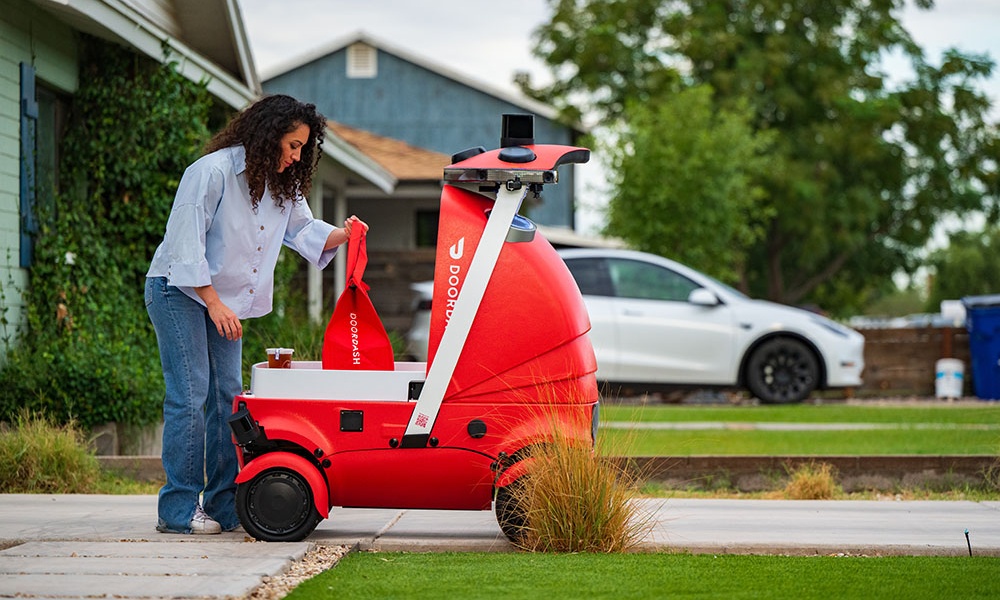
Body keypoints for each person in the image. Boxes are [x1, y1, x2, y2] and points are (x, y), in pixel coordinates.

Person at [144, 94, 368, 534]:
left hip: (221, 302)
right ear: (267, 136)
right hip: (177, 291)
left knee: (229, 397)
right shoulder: (209, 173)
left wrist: (345, 234)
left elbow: (303, 231)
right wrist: (212, 302)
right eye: (292, 145)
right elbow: (185, 246)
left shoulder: (284, 186)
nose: (297, 156)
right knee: (191, 395)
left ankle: (224, 504)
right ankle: (177, 511)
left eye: (303, 148)